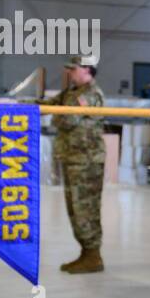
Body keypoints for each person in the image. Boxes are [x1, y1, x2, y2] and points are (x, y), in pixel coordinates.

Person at [41, 56, 106, 274]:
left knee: (85, 209)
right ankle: (86, 253)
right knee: (74, 209)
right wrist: (17, 107)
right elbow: (49, 106)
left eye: (74, 68)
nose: (69, 72)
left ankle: (93, 255)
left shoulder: (91, 95)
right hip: (72, 159)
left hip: (87, 161)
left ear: (87, 69)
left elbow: (67, 120)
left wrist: (55, 116)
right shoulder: (71, 93)